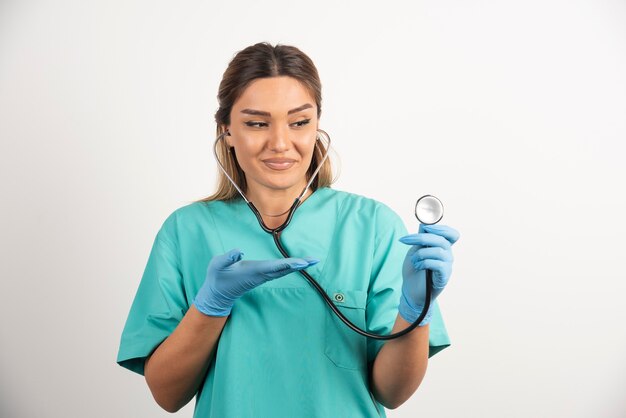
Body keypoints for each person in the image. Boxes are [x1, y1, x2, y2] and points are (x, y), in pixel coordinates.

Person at [117, 42, 460, 418]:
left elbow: (391, 393)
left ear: (317, 127)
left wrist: (416, 310)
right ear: (227, 130)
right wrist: (210, 306)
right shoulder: (186, 232)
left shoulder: (373, 227)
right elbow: (167, 395)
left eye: (299, 122)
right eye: (256, 123)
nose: (280, 144)